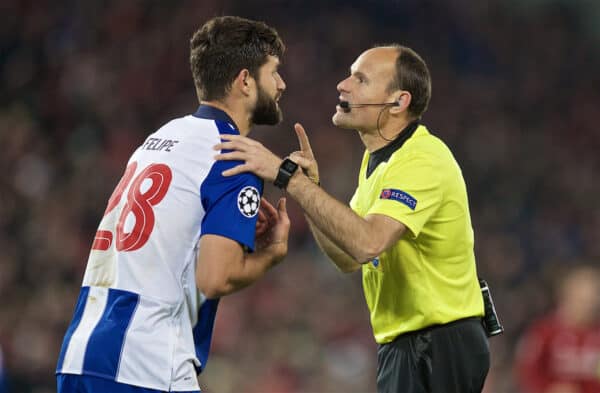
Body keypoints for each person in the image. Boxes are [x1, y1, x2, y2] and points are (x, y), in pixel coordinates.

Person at [214, 44, 490, 392]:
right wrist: (307, 188)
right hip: (409, 345)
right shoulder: (377, 162)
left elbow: (367, 243)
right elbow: (346, 256)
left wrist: (289, 179)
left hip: (437, 343)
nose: (343, 85)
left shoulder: (423, 159)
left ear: (398, 102)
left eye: (361, 79)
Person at [55, 16, 290, 393]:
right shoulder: (235, 156)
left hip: (81, 353)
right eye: (274, 72)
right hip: (144, 361)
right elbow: (215, 278)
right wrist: (272, 254)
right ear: (245, 80)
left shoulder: (161, 138)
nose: (282, 84)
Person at [515, 265, 600, 393]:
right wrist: (548, 389)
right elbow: (527, 373)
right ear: (568, 295)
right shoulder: (543, 333)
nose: (589, 302)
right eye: (583, 296)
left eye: (593, 295)